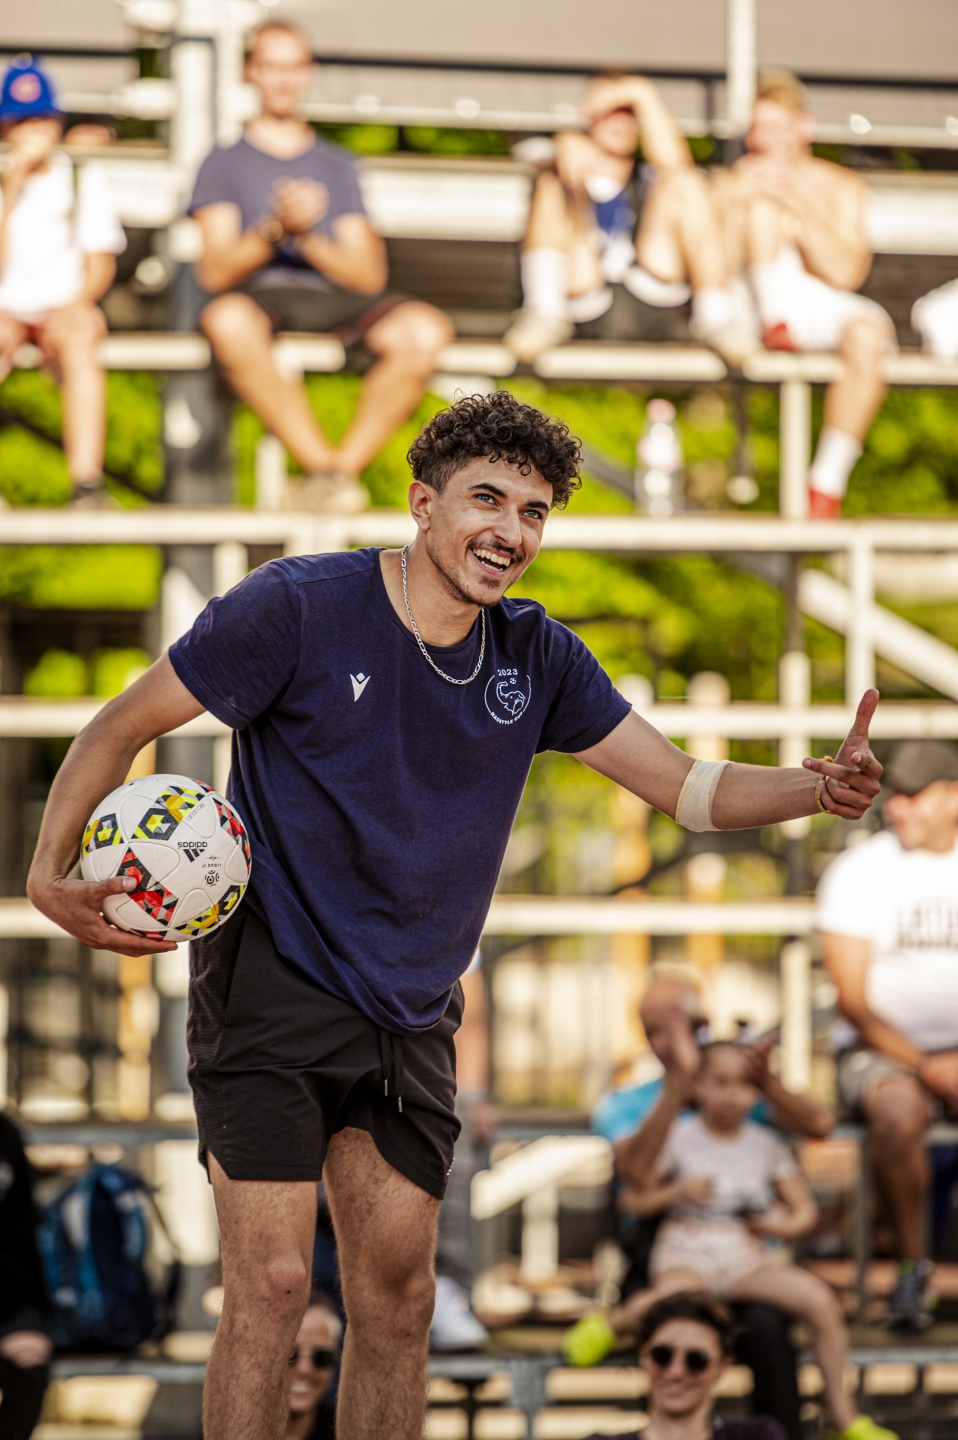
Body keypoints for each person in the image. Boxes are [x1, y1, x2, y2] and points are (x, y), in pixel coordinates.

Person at [26, 390, 883, 1440]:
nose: (510, 531)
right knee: (274, 1287)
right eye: (487, 500)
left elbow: (685, 789)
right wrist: (47, 877)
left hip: (413, 1007)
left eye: (533, 512)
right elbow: (120, 724)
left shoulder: (538, 653)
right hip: (272, 985)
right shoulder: (297, 605)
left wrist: (816, 788)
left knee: (402, 1301)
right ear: (422, 502)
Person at [190, 20, 453, 514]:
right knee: (226, 321)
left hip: (336, 298)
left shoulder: (338, 165)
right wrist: (275, 229)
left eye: (294, 67)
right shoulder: (221, 163)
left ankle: (335, 474)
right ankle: (324, 469)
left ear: (308, 72)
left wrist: (308, 238)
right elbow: (215, 272)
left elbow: (367, 274)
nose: (285, 80)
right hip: (259, 297)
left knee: (426, 330)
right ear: (251, 72)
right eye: (273, 67)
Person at [576, 1042, 896, 1440]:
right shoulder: (679, 1136)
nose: (731, 1094)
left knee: (822, 1302)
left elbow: (804, 1212)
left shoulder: (765, 1143)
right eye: (720, 1082)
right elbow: (634, 1199)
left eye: (743, 1084)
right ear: (698, 1086)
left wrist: (777, 1225)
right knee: (666, 1300)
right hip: (689, 1252)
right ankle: (611, 1325)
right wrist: (677, 1192)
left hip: (744, 1256)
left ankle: (845, 1416)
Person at [582, 973, 833, 1440]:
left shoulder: (736, 1090)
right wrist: (679, 1085)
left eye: (683, 1023)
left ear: (704, 1022)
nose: (670, 1039)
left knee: (768, 1331)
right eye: (656, 1029)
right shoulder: (625, 1103)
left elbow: (821, 1124)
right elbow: (635, 1172)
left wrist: (767, 1083)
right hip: (665, 1255)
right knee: (676, 1336)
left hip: (743, 1258)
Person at [818, 738, 958, 1331]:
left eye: (913, 796)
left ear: (953, 796)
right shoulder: (860, 870)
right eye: (894, 795)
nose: (897, 807)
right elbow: (853, 1003)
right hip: (880, 1054)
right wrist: (929, 1068)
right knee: (899, 1111)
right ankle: (912, 1270)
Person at [713, 70, 895, 519]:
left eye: (776, 128)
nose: (764, 141)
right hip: (744, 305)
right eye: (758, 129)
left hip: (814, 304)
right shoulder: (730, 182)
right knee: (761, 211)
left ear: (803, 128)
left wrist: (797, 202)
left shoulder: (842, 186)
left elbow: (847, 273)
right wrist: (737, 205)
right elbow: (709, 268)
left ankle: (827, 483)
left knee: (870, 335)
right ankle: (774, 320)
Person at [505, 74, 744, 363]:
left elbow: (677, 165)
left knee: (685, 181)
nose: (619, 121)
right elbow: (531, 152)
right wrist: (563, 143)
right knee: (552, 183)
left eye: (629, 112)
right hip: (582, 301)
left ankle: (716, 318)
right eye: (609, 110)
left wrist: (642, 93)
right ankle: (543, 312)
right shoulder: (558, 156)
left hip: (654, 297)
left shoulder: (651, 176)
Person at [0, 56, 125, 506]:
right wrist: (11, 188)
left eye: (41, 119)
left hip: (63, 304)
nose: (32, 130)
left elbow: (99, 260)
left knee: (80, 339)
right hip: (5, 310)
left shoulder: (81, 175)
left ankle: (86, 482)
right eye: (21, 121)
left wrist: (79, 303)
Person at [582, 1290, 788, 1440]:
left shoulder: (757, 1435)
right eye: (662, 1356)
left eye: (696, 1360)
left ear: (722, 1366)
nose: (676, 1372)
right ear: (644, 1356)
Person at [431, 954, 495, 1351]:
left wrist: (472, 1093)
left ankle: (443, 1287)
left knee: (454, 1122)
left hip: (417, 1067)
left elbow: (470, 1011)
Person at [0, 1110, 52, 1440]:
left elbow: (24, 1237)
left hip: (7, 1299)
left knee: (29, 1366)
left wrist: (30, 1318)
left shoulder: (4, 1133)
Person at [285, 1292, 341, 1440]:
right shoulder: (232, 1427)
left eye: (321, 1357)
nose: (304, 1369)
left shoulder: (349, 1431)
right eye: (291, 1354)